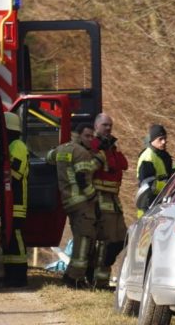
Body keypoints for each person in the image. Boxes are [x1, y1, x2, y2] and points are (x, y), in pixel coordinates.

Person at [47, 123, 101, 288]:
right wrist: (94, 198)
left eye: (92, 136)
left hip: (67, 202)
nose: (91, 140)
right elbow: (82, 179)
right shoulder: (82, 153)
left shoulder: (61, 150)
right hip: (82, 203)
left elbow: (48, 157)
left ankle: (72, 276)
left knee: (80, 238)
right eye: (87, 136)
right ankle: (74, 278)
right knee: (84, 240)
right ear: (76, 135)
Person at [89, 113, 128, 288]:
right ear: (96, 126)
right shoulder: (93, 145)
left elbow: (123, 164)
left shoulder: (111, 146)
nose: (108, 128)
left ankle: (101, 274)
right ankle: (98, 279)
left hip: (114, 200)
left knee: (122, 239)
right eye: (105, 125)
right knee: (105, 241)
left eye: (110, 125)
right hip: (100, 199)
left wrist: (111, 148)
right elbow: (89, 170)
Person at [1, 112, 30, 287]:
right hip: (11, 201)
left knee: (16, 236)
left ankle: (19, 276)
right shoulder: (11, 145)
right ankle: (11, 274)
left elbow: (14, 172)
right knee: (10, 239)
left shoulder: (17, 145)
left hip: (17, 201)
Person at [135, 124, 173, 217]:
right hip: (147, 209)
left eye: (165, 138)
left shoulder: (164, 156)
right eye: (160, 139)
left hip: (158, 206)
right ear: (152, 140)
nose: (164, 142)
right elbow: (149, 185)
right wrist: (170, 188)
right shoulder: (147, 157)